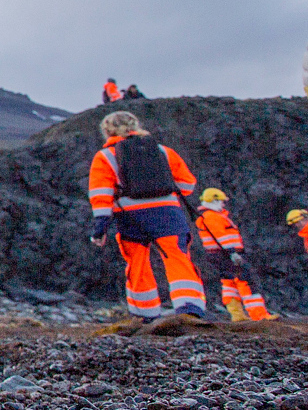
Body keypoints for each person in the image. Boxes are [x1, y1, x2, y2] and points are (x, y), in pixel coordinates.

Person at [87, 110, 205, 319]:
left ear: (107, 131)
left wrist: (100, 228)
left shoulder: (105, 156)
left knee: (138, 264)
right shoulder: (162, 151)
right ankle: (189, 309)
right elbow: (188, 185)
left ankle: (145, 314)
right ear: (136, 125)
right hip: (168, 213)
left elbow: (101, 194)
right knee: (178, 258)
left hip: (132, 216)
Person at [192, 188, 271, 320]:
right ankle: (259, 315)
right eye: (221, 201)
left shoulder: (209, 216)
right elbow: (221, 237)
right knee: (245, 281)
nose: (223, 204)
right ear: (214, 200)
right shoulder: (212, 216)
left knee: (229, 283)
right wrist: (232, 253)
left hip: (219, 255)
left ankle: (237, 315)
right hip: (226, 255)